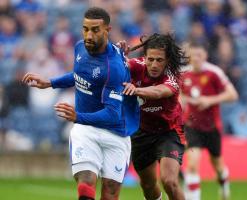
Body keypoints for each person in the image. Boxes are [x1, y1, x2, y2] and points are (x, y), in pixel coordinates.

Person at [22, 7, 139, 200]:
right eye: (85, 29)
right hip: (86, 130)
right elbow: (79, 76)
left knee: (110, 195)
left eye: (95, 30)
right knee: (86, 183)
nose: (88, 35)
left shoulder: (114, 68)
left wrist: (77, 116)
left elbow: (112, 113)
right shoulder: (79, 48)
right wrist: (50, 82)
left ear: (107, 31)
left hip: (116, 133)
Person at [121, 33, 189, 200]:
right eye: (150, 59)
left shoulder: (172, 77)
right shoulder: (135, 66)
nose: (153, 64)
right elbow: (112, 68)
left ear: (167, 60)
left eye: (159, 60)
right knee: (147, 185)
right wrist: (117, 55)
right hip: (141, 132)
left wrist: (136, 90)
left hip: (169, 131)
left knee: (169, 182)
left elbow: (158, 92)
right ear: (145, 57)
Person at [180, 43, 239, 200]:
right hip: (192, 126)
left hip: (212, 127)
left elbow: (233, 95)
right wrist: (182, 100)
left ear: (205, 56)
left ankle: (224, 186)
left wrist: (210, 100)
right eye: (194, 55)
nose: (197, 58)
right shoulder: (183, 74)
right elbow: (177, 94)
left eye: (200, 55)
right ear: (190, 56)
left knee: (218, 165)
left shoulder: (214, 73)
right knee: (192, 165)